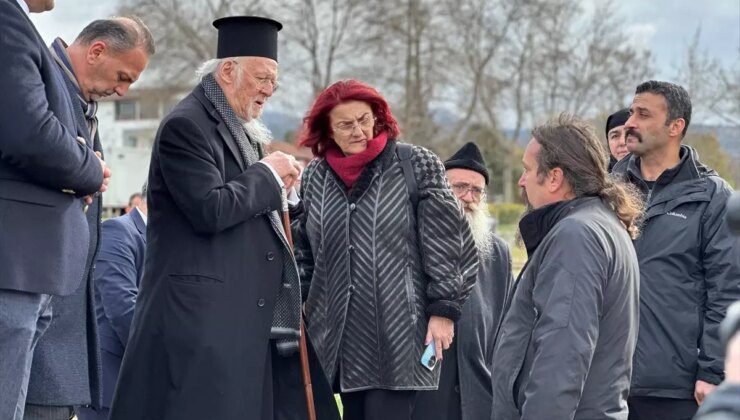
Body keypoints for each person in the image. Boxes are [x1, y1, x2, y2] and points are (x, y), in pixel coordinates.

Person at [109, 16, 339, 420]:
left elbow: (252, 206)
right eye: (263, 77)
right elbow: (210, 209)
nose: (269, 89)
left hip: (239, 321)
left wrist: (284, 190)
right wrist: (268, 174)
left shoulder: (244, 131)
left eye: (274, 82)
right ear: (228, 71)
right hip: (201, 322)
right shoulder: (187, 126)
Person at [293, 79, 479, 420]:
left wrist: (444, 311)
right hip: (337, 336)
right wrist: (303, 308)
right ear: (327, 131)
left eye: (364, 119)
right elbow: (304, 250)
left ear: (378, 117)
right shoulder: (315, 176)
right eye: (346, 125)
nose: (359, 131)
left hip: (399, 336)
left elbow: (451, 243)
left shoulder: (415, 164)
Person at [20, 17, 153, 420]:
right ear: (96, 51)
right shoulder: (41, 80)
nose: (122, 90)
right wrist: (85, 169)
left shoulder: (78, 98)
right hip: (40, 312)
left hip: (60, 335)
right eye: (122, 76)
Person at [491, 115, 642, 419]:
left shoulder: (577, 235)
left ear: (555, 177)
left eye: (527, 169)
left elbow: (562, 355)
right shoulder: (597, 225)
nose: (521, 180)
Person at [0, 1, 108, 419]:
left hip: (29, 265)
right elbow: (32, 132)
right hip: (15, 262)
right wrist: (89, 167)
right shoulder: (7, 18)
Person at [612, 80, 740, 420]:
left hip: (677, 387)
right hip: (606, 381)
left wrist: (713, 370)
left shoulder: (713, 197)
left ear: (675, 126)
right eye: (631, 112)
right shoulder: (608, 187)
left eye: (643, 114)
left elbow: (728, 290)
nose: (630, 123)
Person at [412, 142, 514, 420]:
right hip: (424, 392)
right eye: (459, 188)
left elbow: (505, 328)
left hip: (478, 393)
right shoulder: (415, 241)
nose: (468, 197)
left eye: (477, 191)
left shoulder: (498, 253)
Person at [75, 182, 148, 420]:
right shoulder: (119, 230)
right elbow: (122, 306)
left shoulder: (162, 242)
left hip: (135, 388)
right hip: (110, 386)